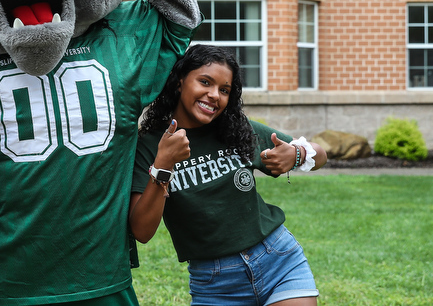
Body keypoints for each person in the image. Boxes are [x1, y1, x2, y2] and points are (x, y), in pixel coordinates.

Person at [129, 44, 328, 306]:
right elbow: (142, 231)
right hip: (216, 283)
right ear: (179, 82)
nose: (214, 95)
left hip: (279, 260)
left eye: (224, 90)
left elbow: (320, 154)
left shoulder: (235, 130)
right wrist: (163, 164)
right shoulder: (149, 144)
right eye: (205, 82)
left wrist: (297, 153)